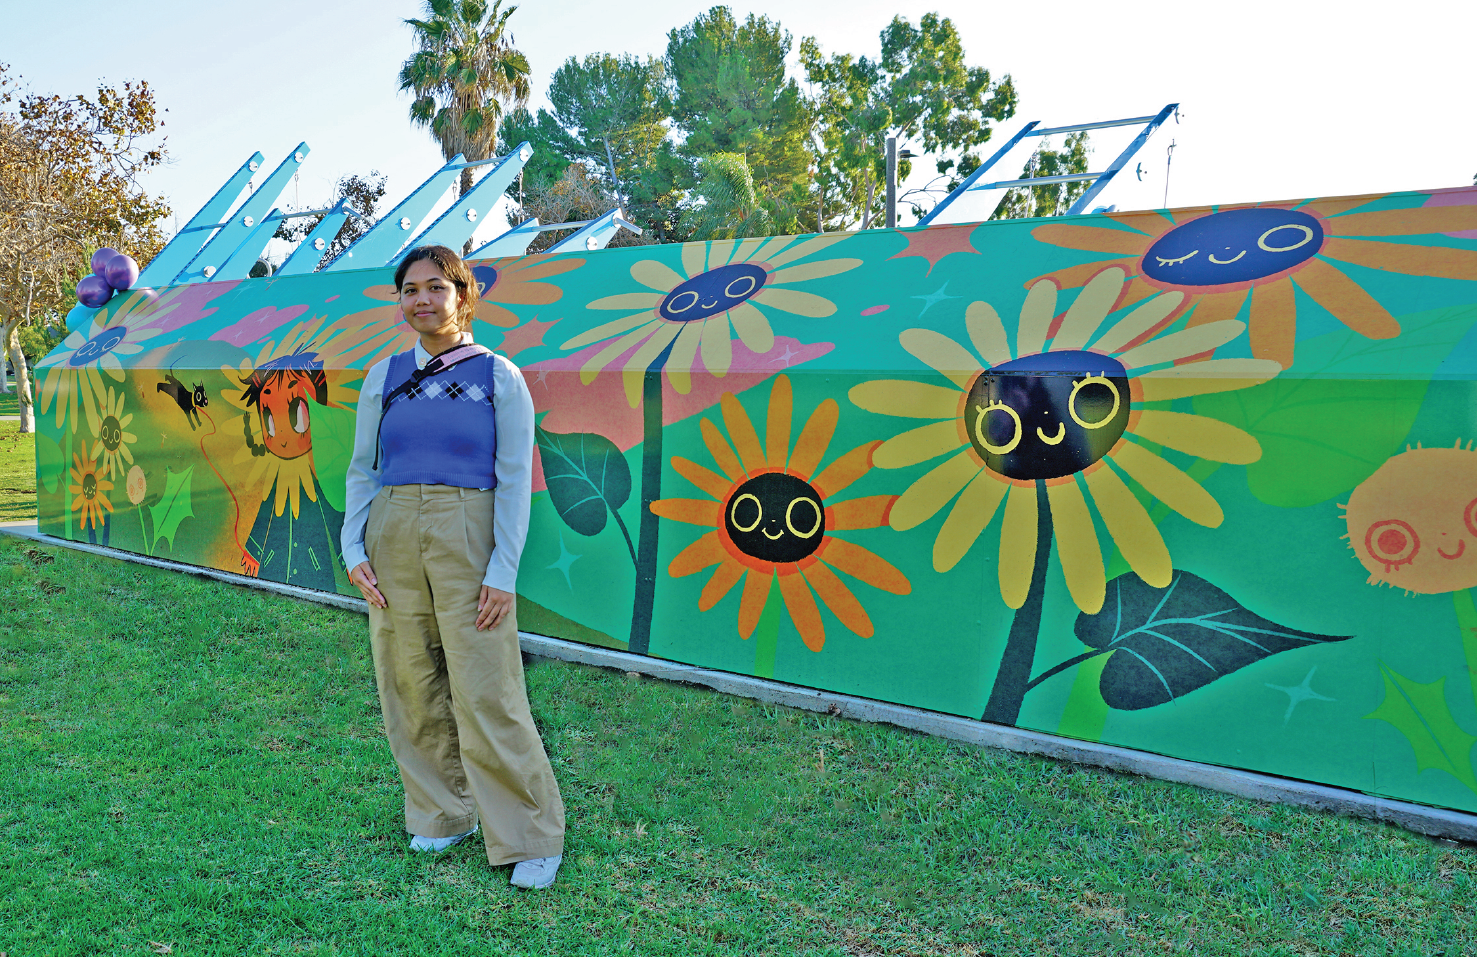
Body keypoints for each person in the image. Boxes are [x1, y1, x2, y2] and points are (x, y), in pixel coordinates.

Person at [341, 244, 566, 889]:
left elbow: (515, 478)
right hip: (391, 530)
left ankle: (530, 834)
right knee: (408, 677)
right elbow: (363, 470)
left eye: (435, 287)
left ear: (463, 296)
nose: (421, 299)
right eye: (409, 289)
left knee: (486, 684)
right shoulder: (382, 377)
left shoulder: (499, 376)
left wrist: (503, 570)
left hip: (469, 530)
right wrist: (354, 549)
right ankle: (442, 813)